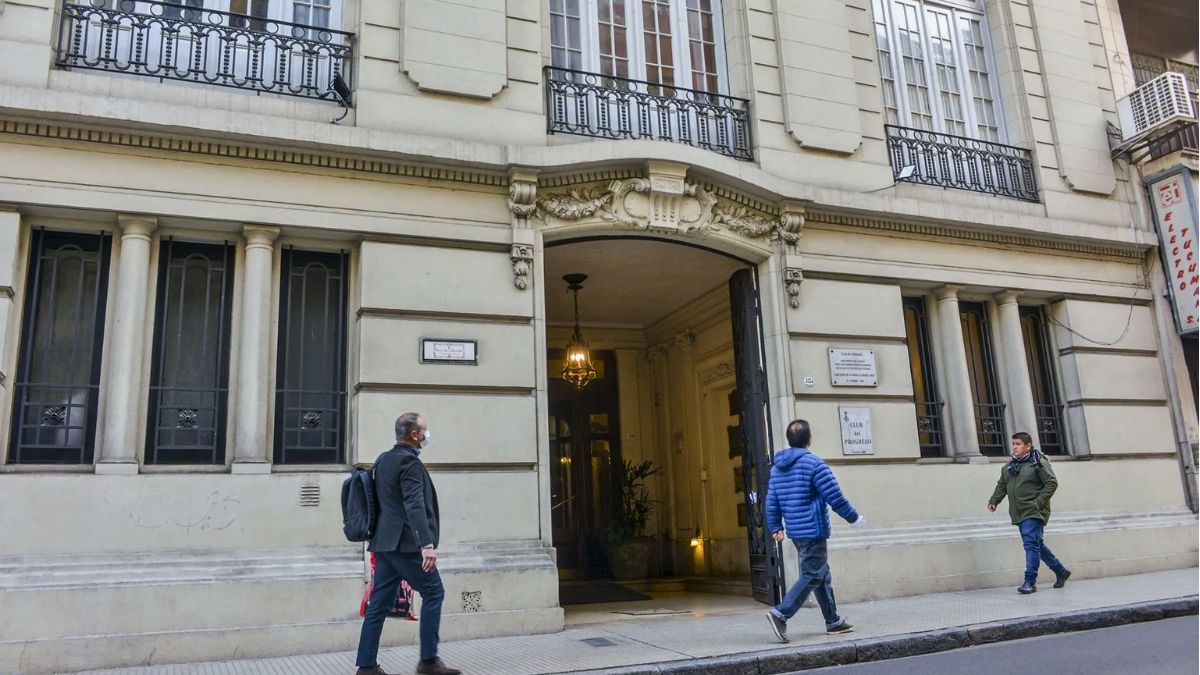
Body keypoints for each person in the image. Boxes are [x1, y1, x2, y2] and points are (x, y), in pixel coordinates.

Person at [355, 413, 460, 675]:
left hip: (384, 543)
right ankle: (428, 662)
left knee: (378, 605)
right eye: (424, 430)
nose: (427, 435)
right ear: (414, 435)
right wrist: (426, 544)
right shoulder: (409, 463)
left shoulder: (383, 460)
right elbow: (414, 505)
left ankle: (366, 667)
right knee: (434, 592)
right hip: (406, 545)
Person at [765, 419, 863, 643]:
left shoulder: (777, 468)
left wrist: (775, 526)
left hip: (796, 532)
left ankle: (833, 621)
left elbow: (772, 501)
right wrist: (854, 517)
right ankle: (781, 614)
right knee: (813, 574)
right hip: (813, 530)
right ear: (809, 440)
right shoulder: (814, 464)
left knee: (821, 574)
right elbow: (834, 496)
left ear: (789, 440)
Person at [988, 431, 1071, 595]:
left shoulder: (1038, 463)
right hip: (1018, 512)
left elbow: (1051, 483)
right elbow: (1002, 486)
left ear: (1028, 446)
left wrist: (1038, 502)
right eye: (1013, 444)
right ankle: (1061, 571)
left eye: (1018, 444)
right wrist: (994, 501)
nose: (1014, 447)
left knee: (1030, 544)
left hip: (1034, 511)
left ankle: (1029, 581)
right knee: (1036, 544)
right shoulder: (1009, 467)